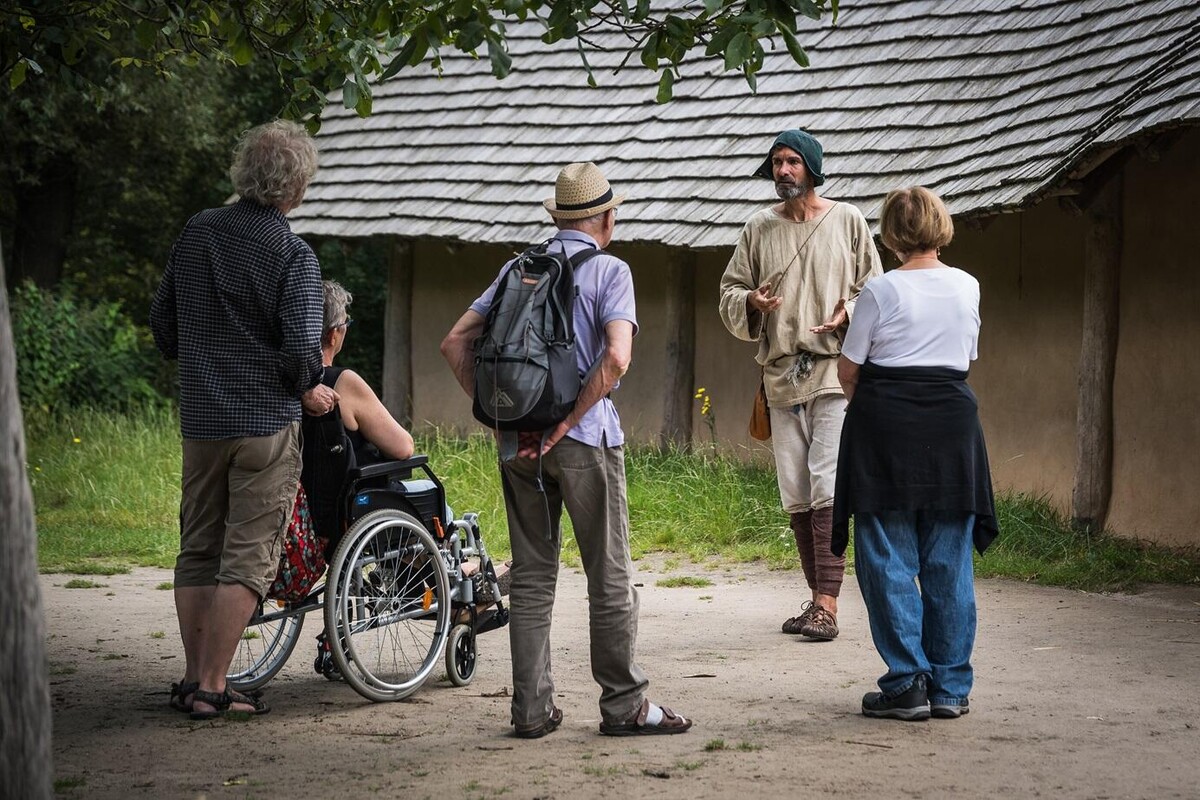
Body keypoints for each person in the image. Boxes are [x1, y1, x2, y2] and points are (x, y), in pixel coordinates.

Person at [440, 162, 691, 739]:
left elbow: (455, 342)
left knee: (529, 574)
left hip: (518, 442)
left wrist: (501, 414)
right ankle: (625, 706)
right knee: (608, 572)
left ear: (558, 218)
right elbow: (617, 358)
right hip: (586, 441)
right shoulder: (610, 270)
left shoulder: (515, 270)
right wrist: (570, 418)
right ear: (607, 217)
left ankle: (530, 711)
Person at [150, 120, 336, 719]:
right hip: (263, 426)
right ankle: (212, 686)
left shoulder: (197, 231)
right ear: (297, 186)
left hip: (201, 423)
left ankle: (191, 678)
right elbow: (303, 355)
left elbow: (164, 328)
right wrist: (306, 390)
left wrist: (208, 353)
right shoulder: (292, 254)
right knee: (249, 556)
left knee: (197, 548)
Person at [832, 186, 998, 721]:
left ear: (892, 233)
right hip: (953, 427)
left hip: (886, 428)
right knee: (949, 558)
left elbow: (849, 370)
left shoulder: (880, 291)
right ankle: (951, 687)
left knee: (886, 554)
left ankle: (907, 684)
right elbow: (962, 356)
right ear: (940, 224)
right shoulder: (968, 286)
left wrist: (876, 409)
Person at [718, 129, 882, 640]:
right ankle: (818, 601)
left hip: (834, 371)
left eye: (792, 162)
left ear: (812, 167)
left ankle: (827, 606)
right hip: (780, 376)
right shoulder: (758, 228)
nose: (783, 171)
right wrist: (752, 303)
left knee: (826, 482)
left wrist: (848, 311)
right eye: (776, 162)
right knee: (796, 492)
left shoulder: (848, 220)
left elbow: (876, 289)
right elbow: (730, 288)